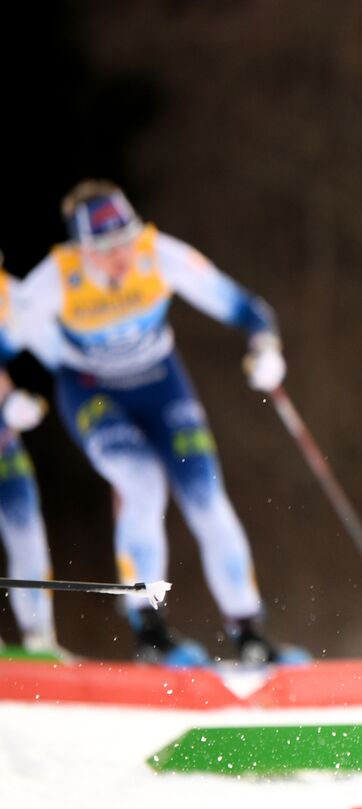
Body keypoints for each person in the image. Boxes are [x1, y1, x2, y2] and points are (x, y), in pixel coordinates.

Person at [18, 180, 303, 666]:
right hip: (93, 392)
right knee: (142, 483)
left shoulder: (161, 256)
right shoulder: (51, 282)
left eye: (125, 241)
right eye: (104, 250)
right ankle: (149, 631)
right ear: (80, 250)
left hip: (160, 384)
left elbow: (248, 309)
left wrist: (266, 349)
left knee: (206, 496)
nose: (121, 257)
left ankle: (250, 634)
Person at [0, 251, 60, 655]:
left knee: (28, 536)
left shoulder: (10, 294)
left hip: (4, 443)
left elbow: (58, 352)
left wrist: (20, 405)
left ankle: (40, 642)